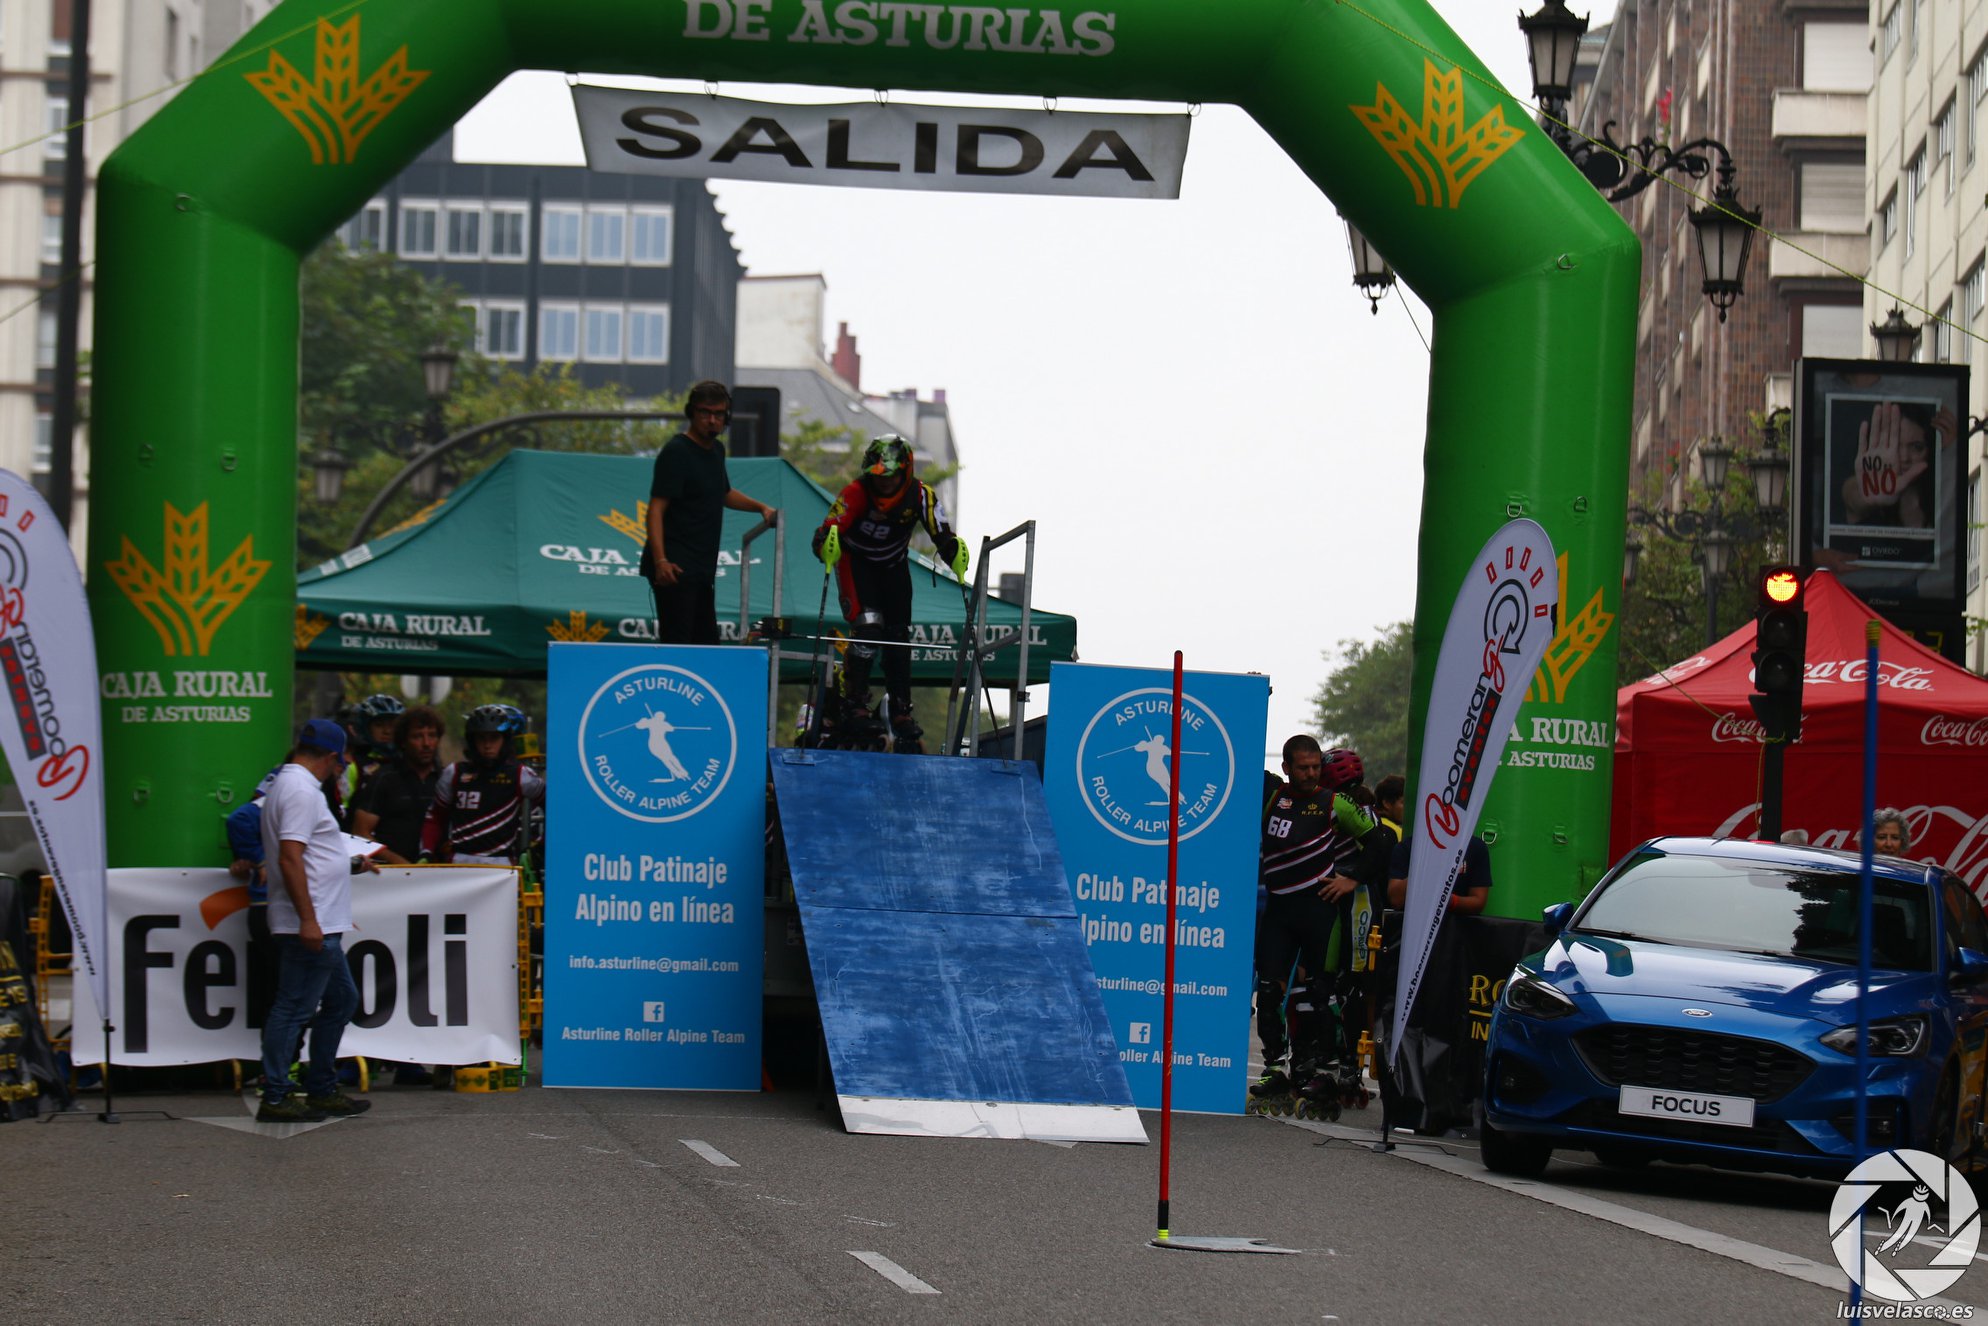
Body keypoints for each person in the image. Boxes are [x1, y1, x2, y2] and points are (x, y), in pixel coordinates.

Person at [810, 434, 967, 750]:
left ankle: (900, 708)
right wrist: (825, 544)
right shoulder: (855, 492)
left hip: (894, 566)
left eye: (891, 476)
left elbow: (942, 534)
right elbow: (824, 532)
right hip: (856, 564)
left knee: (898, 636)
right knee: (868, 627)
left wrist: (953, 552)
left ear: (905, 472)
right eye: (878, 476)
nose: (883, 483)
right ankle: (854, 702)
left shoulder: (921, 495)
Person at [256, 718, 378, 1123]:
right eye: (340, 764)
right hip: (313, 922)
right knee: (294, 1006)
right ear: (330, 757)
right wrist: (308, 920)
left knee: (341, 1000)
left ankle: (320, 1086)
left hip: (318, 919)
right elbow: (291, 857)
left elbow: (308, 854)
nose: (338, 771)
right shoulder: (302, 791)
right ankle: (276, 1095)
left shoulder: (286, 785)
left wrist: (351, 863)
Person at [1253, 738, 1389, 1096]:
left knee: (1319, 994)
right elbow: (1239, 756)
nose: (1311, 773)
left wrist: (1351, 878)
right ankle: (1275, 1067)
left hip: (1320, 912)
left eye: (1315, 767)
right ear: (1287, 768)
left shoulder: (1334, 802)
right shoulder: (1271, 795)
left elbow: (1379, 843)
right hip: (1279, 912)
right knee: (1268, 991)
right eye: (1303, 768)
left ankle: (1314, 1070)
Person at [641, 380, 777, 645]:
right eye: (705, 412)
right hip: (675, 566)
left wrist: (761, 507)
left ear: (727, 417)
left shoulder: (716, 450)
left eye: (718, 414)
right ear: (691, 413)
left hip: (702, 567)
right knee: (680, 643)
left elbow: (724, 493)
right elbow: (655, 509)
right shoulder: (677, 451)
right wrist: (661, 561)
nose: (712, 420)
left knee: (706, 645)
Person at [423, 704, 545, 866]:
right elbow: (435, 817)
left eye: (494, 738)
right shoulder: (454, 773)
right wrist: (427, 852)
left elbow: (554, 808)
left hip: (502, 866)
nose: (487, 745)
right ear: (472, 741)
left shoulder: (521, 775)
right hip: (459, 863)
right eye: (481, 738)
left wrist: (540, 848)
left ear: (505, 740)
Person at [353, 705, 443, 864]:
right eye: (417, 736)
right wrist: (400, 863)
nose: (426, 743)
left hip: (442, 873)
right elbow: (361, 832)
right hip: (393, 874)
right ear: (403, 742)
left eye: (432, 735)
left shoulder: (446, 778)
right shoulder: (384, 778)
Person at [1841, 401, 1943, 530]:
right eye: (1894, 446)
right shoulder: (1857, 485)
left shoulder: (1942, 495)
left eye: (1917, 447)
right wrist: (1871, 492)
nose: (1905, 458)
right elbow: (1853, 496)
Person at [1387, 827, 1495, 916]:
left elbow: (1478, 901)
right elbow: (1396, 900)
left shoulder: (1475, 847)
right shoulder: (1408, 847)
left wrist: (1448, 900)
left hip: (1458, 928)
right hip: (1416, 925)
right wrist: (1426, 865)